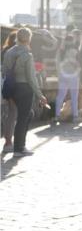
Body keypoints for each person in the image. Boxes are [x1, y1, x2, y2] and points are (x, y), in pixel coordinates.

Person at [1, 28, 50, 156]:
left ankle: (14, 145)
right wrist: (40, 95)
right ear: (29, 38)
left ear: (17, 37)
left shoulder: (9, 52)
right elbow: (31, 78)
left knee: (21, 115)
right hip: (24, 88)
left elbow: (5, 71)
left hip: (11, 87)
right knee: (24, 117)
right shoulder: (27, 54)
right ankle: (19, 147)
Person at [54, 30, 81, 125]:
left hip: (63, 75)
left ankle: (57, 115)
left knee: (60, 96)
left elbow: (57, 64)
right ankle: (75, 116)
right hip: (73, 76)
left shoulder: (60, 52)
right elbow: (79, 64)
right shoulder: (76, 51)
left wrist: (59, 74)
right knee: (74, 96)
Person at [2, 32, 19, 151]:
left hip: (4, 83)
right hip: (10, 84)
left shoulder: (4, 51)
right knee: (12, 113)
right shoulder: (15, 53)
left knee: (11, 113)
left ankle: (8, 142)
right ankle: (8, 142)